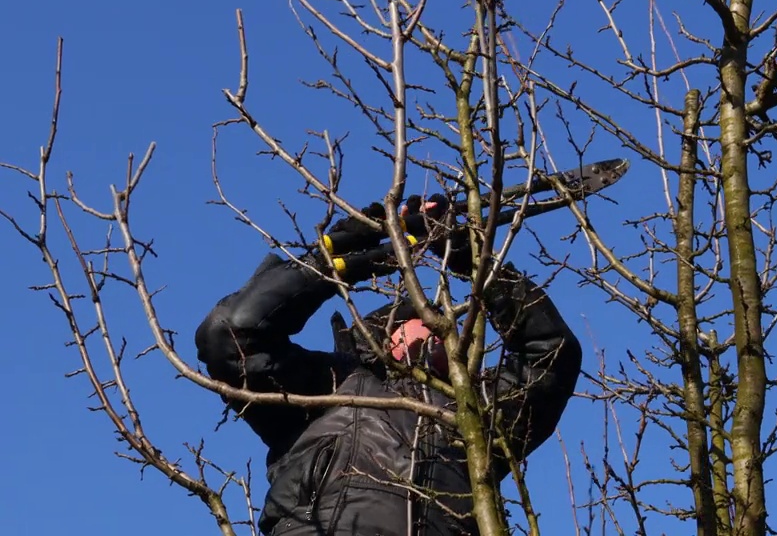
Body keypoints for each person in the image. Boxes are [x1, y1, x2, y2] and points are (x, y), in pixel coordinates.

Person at [195, 194, 583, 536]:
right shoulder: (326, 389)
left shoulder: (473, 415)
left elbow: (550, 354)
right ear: (387, 336)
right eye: (424, 317)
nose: (441, 328)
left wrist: (472, 258)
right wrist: (332, 260)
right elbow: (232, 334)